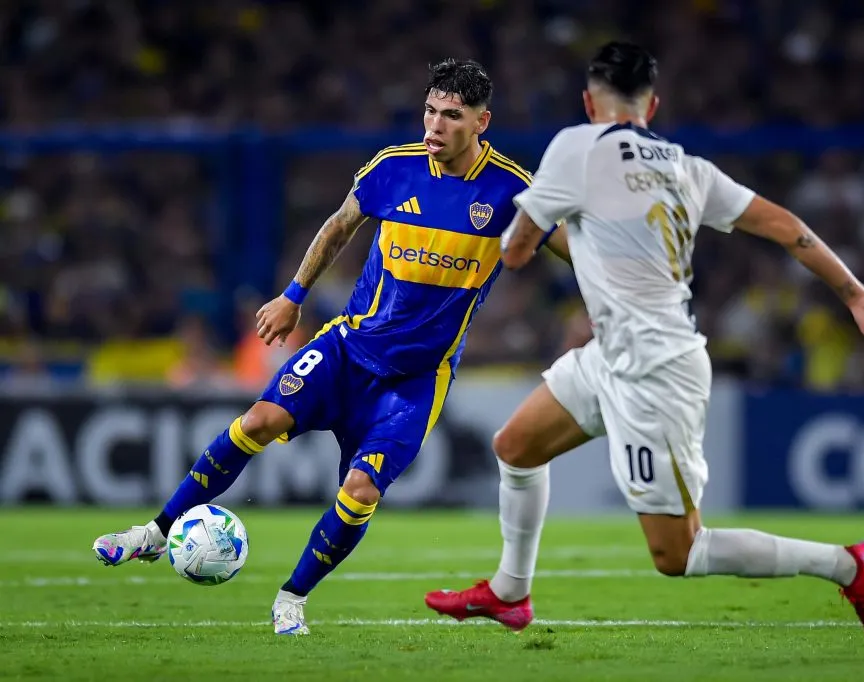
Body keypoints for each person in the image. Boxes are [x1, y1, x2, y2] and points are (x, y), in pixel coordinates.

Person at [424, 42, 864, 649]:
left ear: (588, 103)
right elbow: (788, 228)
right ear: (652, 106)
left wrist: (507, 225)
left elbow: (518, 251)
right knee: (516, 446)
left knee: (679, 553)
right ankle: (510, 592)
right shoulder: (688, 168)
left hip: (654, 372)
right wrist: (857, 296)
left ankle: (849, 565)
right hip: (615, 353)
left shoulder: (576, 147)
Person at [92, 58, 569, 636]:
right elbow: (340, 225)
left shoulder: (514, 191)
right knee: (258, 420)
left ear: (481, 122)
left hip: (415, 379)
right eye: (429, 111)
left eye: (451, 116)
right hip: (347, 348)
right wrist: (293, 296)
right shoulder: (394, 168)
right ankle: (155, 533)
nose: (434, 126)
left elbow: (576, 251)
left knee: (359, 491)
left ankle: (291, 598)